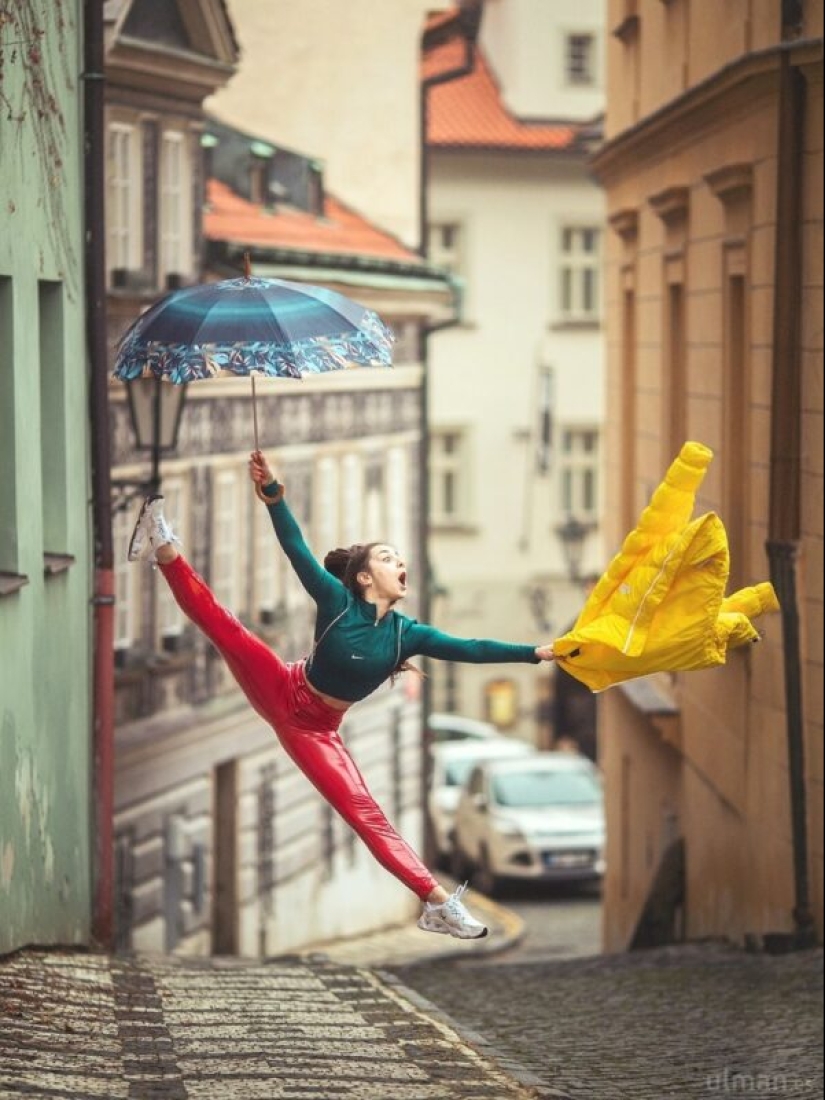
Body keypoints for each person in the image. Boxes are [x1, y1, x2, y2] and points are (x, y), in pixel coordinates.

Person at [128, 450, 556, 940]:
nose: (401, 563)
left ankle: (436, 904)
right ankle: (162, 542)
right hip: (283, 688)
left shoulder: (406, 634)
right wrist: (273, 495)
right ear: (364, 577)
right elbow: (295, 548)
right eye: (388, 557)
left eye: (400, 557)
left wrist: (536, 652)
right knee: (225, 626)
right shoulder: (336, 602)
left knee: (364, 811)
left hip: (315, 729)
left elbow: (473, 648)